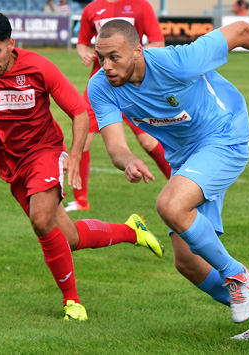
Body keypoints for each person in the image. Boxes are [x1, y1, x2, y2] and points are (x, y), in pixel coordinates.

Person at [0, 10, 164, 322]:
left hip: (44, 151)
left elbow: (78, 111)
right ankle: (131, 230)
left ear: (11, 44)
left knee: (40, 219)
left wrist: (73, 155)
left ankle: (72, 302)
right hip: (11, 164)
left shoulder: (37, 67)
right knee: (69, 238)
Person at [87, 12, 249, 339]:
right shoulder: (101, 87)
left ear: (137, 52)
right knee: (188, 263)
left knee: (170, 206)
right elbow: (115, 146)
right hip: (186, 156)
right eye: (101, 58)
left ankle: (237, 275)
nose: (107, 66)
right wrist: (127, 161)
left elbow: (239, 30)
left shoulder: (177, 62)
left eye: (114, 57)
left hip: (224, 135)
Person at [65, 0, 171, 212]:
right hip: (101, 86)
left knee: (149, 142)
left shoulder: (141, 5)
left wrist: (128, 54)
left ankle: (181, 183)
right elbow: (82, 42)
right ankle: (81, 201)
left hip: (132, 84)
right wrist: (84, 53)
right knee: (82, 140)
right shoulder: (92, 9)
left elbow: (159, 43)